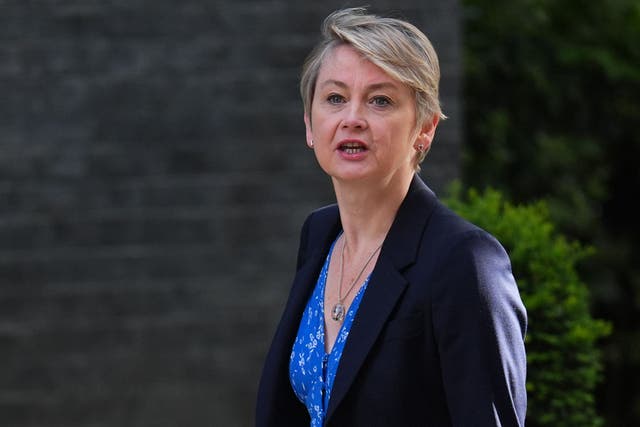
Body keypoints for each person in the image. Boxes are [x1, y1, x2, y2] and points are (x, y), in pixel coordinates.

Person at [256, 7, 527, 427]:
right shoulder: (320, 236)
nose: (352, 119)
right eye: (335, 98)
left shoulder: (463, 261)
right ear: (310, 124)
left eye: (380, 100)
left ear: (425, 128)